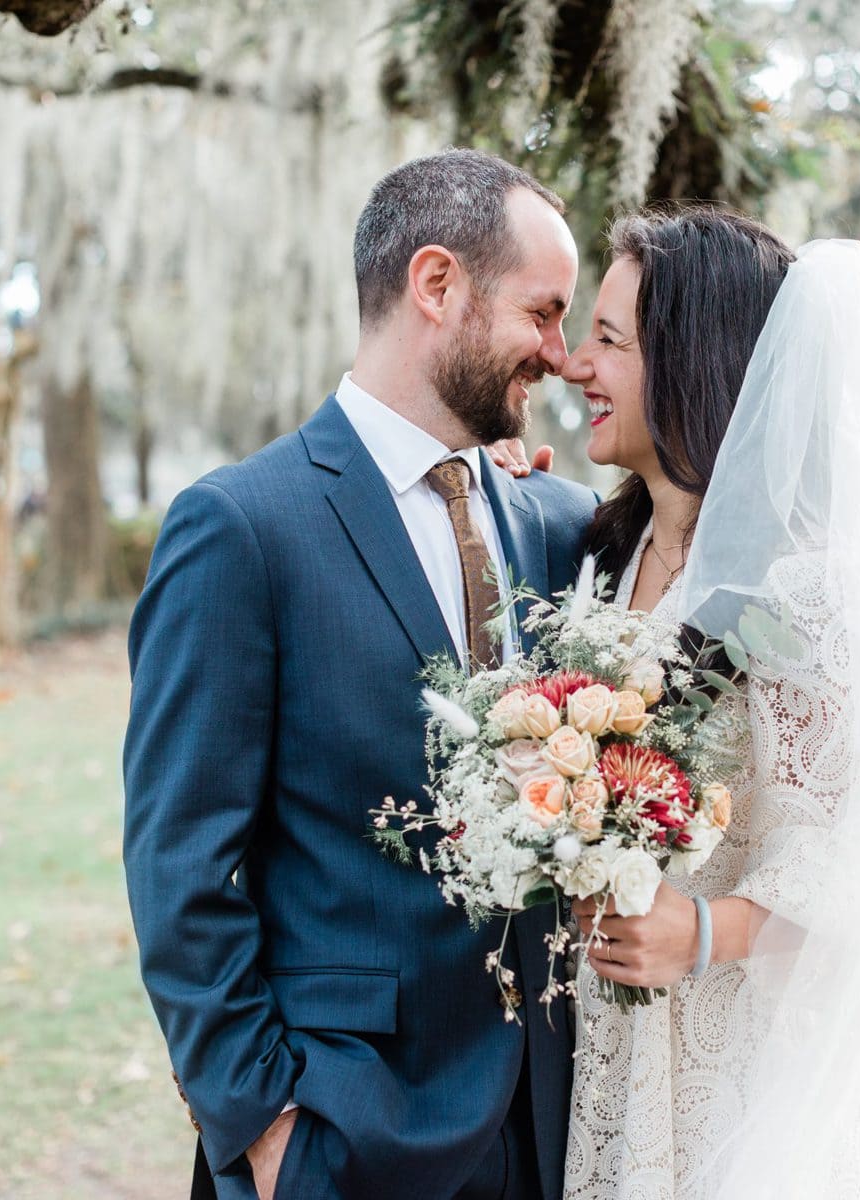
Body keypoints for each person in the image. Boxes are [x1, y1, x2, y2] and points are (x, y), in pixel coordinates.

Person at [123, 149, 598, 1200]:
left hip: (558, 1125)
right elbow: (180, 863)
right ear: (438, 286)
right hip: (347, 1130)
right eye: (544, 312)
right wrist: (264, 1127)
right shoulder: (241, 528)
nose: (561, 356)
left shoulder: (563, 527)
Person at [552, 210, 860, 1199]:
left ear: (694, 359)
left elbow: (853, 869)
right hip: (600, 1064)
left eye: (610, 340)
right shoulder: (602, 562)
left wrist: (701, 933)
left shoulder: (803, 595)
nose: (576, 365)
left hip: (735, 1084)